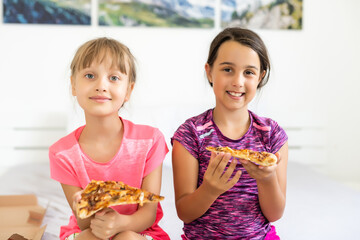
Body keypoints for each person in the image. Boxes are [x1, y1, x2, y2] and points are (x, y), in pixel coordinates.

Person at [171, 27, 288, 239]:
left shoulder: (272, 135)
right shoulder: (190, 134)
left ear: (260, 77)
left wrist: (267, 179)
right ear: (209, 71)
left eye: (249, 72)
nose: (238, 81)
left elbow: (275, 213)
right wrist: (210, 189)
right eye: (227, 69)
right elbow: (184, 213)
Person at [49, 37, 170, 240]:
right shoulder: (62, 153)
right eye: (90, 75)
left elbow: (148, 215)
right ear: (73, 85)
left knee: (126, 238)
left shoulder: (150, 141)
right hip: (88, 231)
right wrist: (86, 207)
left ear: (128, 90)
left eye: (113, 78)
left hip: (138, 231)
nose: (101, 86)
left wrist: (120, 224)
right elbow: (84, 223)